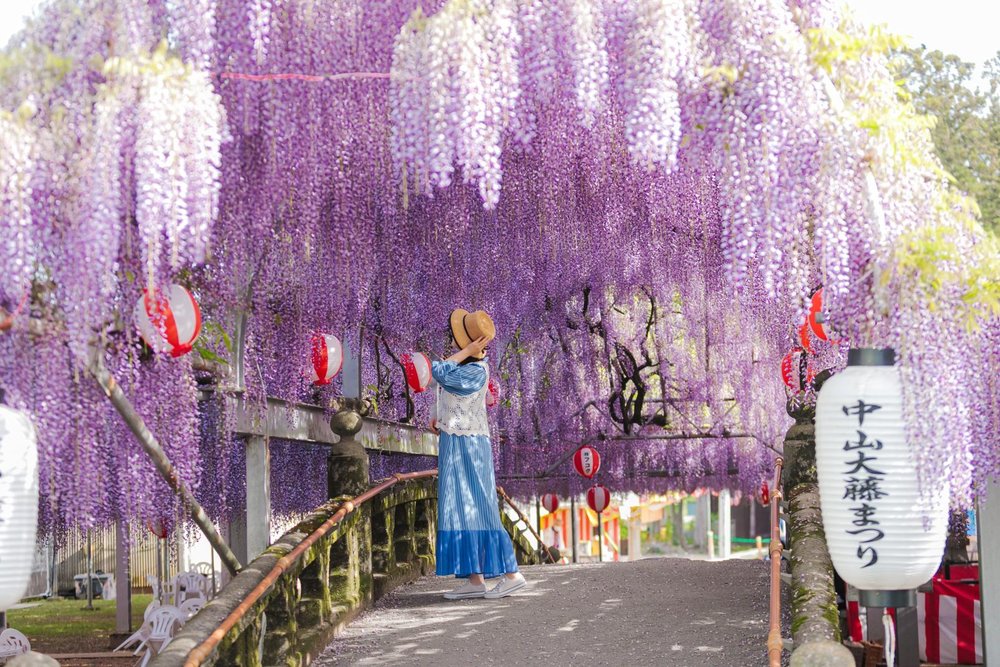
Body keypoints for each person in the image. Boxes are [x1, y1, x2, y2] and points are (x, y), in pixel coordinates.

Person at [430, 308, 525, 600]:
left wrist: (468, 351)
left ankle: (512, 575)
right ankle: (475, 580)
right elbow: (449, 392)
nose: (452, 342)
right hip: (455, 441)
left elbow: (438, 371)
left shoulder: (475, 370)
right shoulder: (465, 369)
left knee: (481, 507)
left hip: (470, 445)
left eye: (456, 338)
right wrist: (440, 417)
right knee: (460, 507)